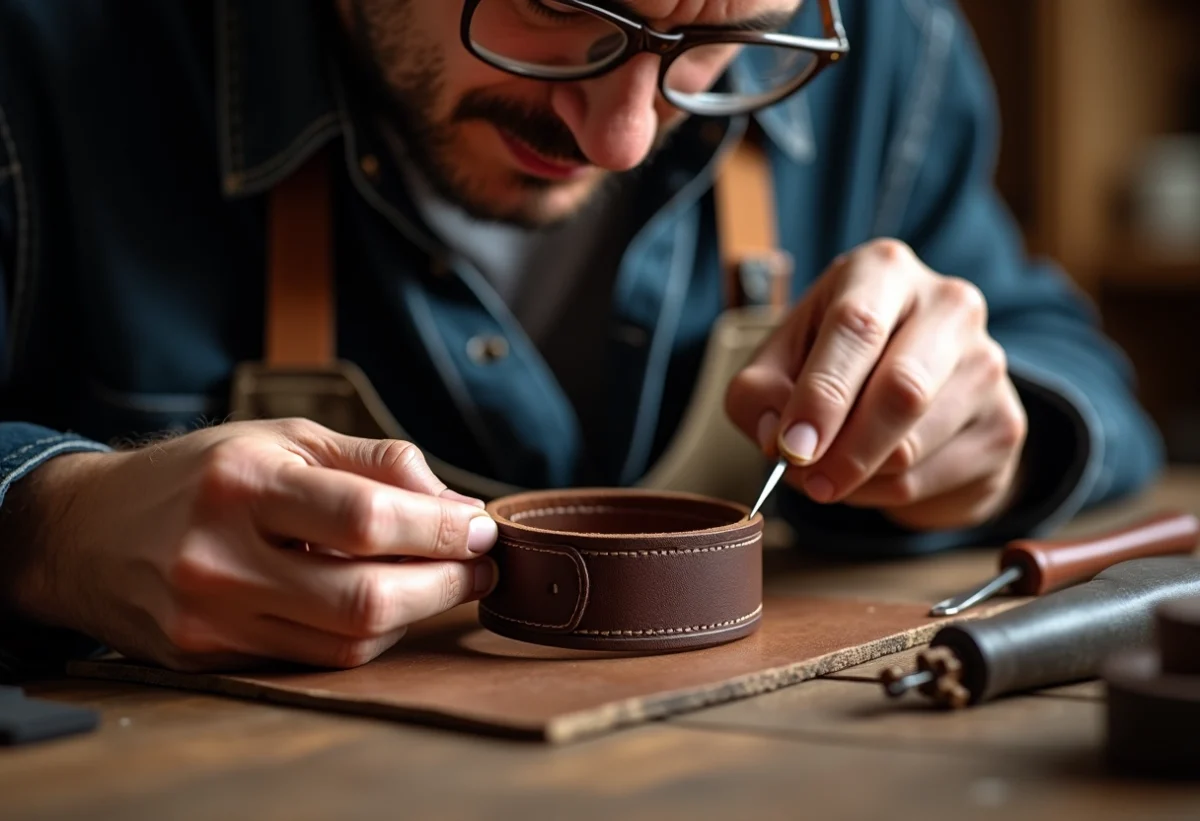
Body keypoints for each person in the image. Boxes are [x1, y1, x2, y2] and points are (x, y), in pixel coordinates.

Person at [0, 0, 1164, 677]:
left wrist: (997, 434)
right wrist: (42, 526)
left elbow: (1080, 372)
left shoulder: (882, 47)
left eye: (721, 44)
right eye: (563, 8)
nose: (621, 136)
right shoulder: (48, 53)